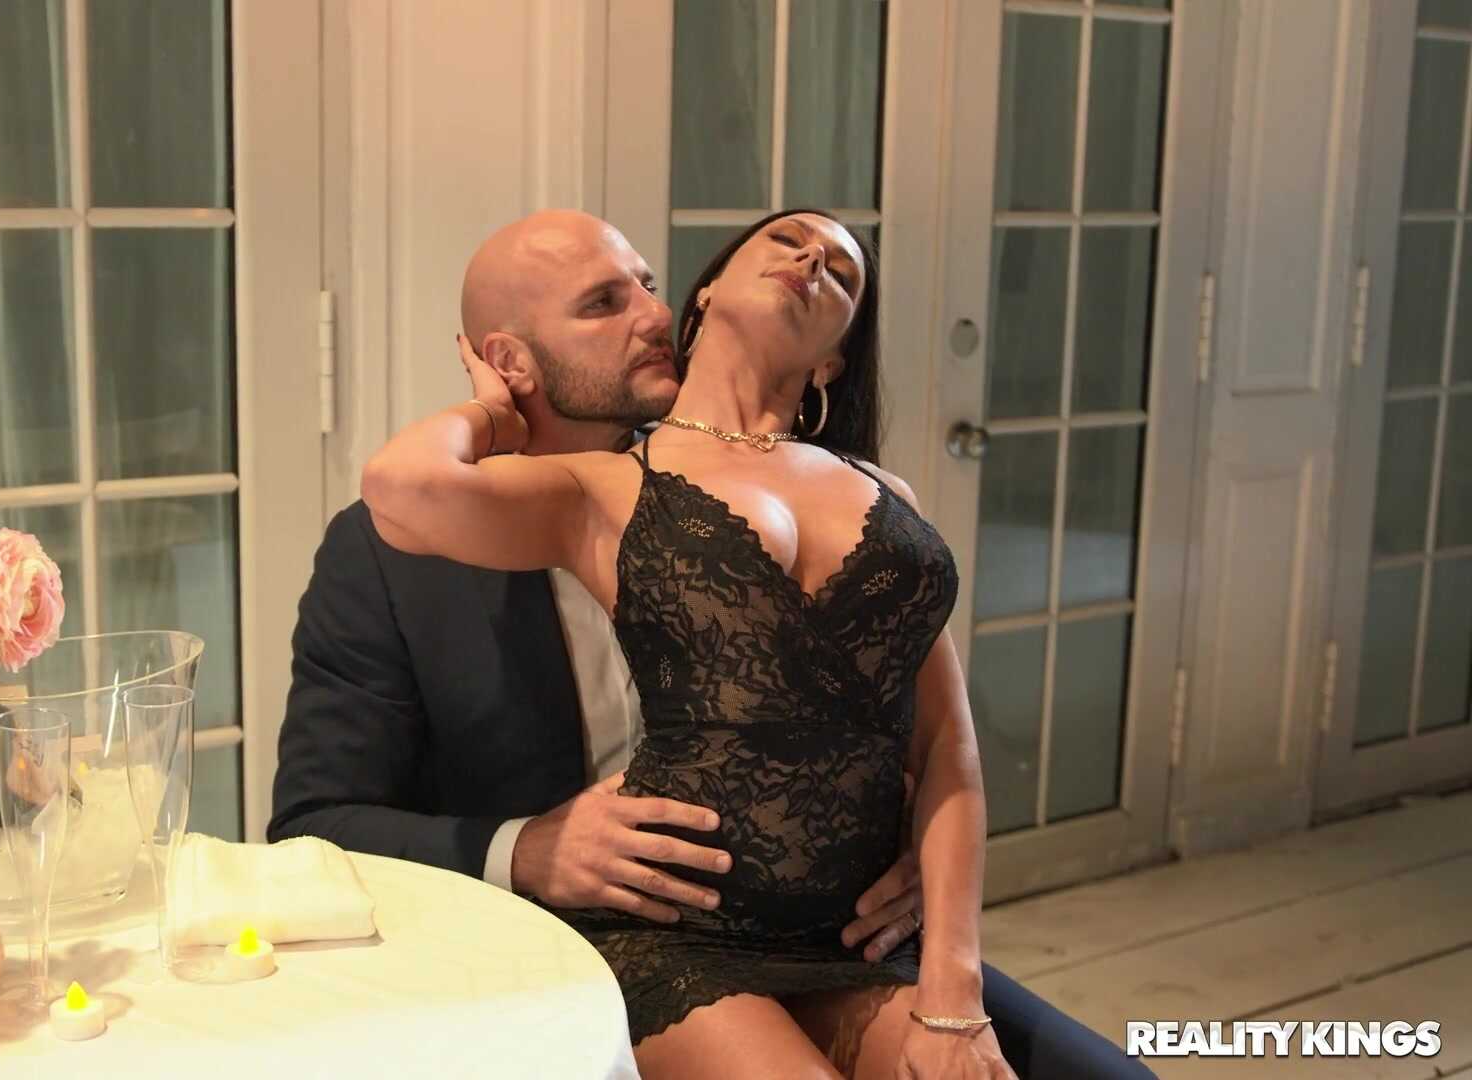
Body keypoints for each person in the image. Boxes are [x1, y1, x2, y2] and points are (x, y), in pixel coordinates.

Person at [274, 210, 1153, 1080]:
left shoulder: (835, 491)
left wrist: (916, 845)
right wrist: (528, 849)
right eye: (603, 304)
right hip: (609, 942)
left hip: (843, 929)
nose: (653, 316)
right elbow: (317, 823)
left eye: (651, 287)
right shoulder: (402, 549)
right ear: (512, 361)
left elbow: (930, 736)